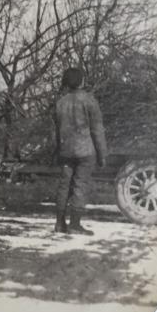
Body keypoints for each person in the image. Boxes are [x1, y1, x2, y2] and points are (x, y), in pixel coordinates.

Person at [53, 67, 107, 235]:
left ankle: (59, 224)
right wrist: (102, 154)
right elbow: (97, 130)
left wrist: (57, 151)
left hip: (65, 151)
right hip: (85, 151)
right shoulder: (90, 101)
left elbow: (54, 131)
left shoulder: (60, 103)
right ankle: (75, 225)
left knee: (64, 186)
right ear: (81, 81)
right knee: (80, 185)